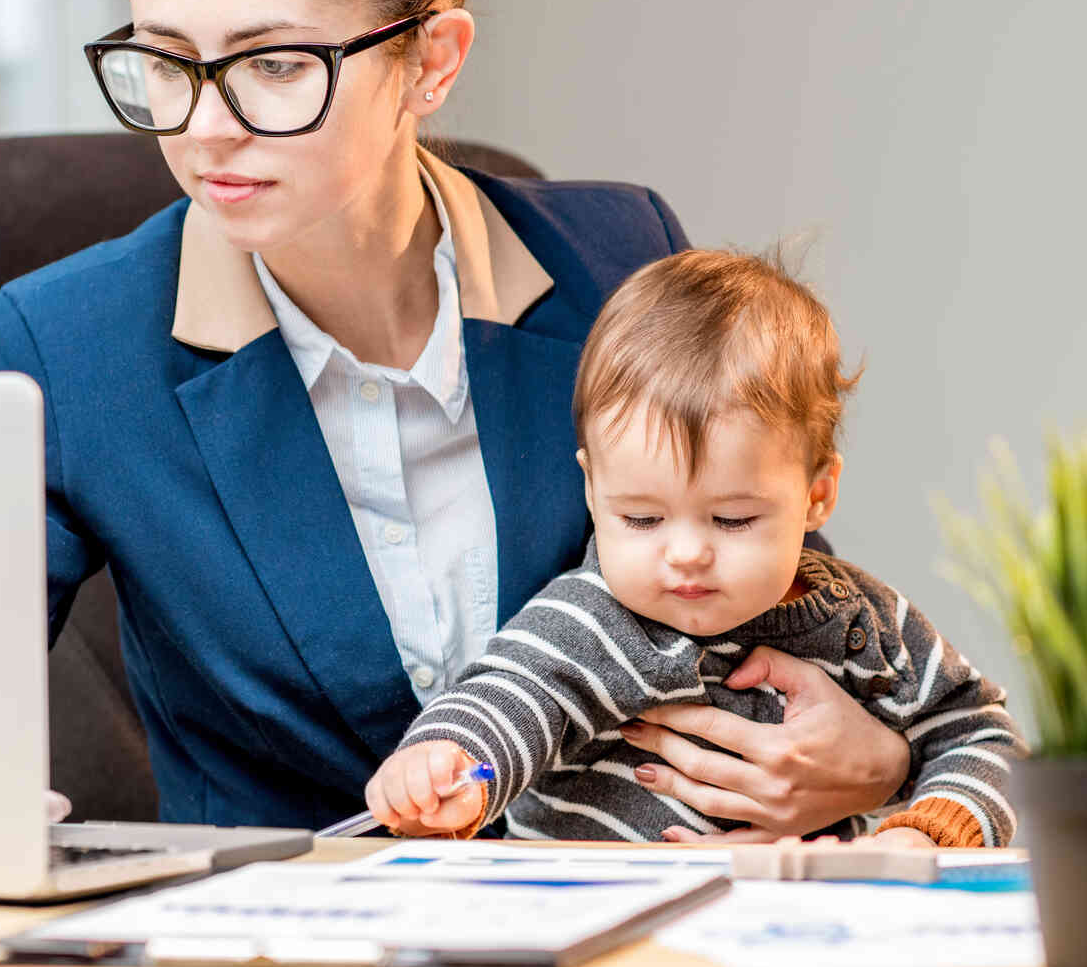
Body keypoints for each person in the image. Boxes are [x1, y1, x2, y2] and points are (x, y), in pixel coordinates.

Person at [0, 0, 911, 835]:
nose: (204, 126)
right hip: (274, 959)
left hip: (632, 920)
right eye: (167, 61)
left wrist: (878, 754)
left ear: (431, 59)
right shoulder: (66, 344)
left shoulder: (614, 260)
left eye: (274, 64)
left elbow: (798, 602)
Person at [364, 250, 1024, 846]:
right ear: (593, 490)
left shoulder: (868, 626)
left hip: (796, 937)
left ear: (818, 496)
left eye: (731, 519)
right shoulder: (593, 618)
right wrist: (445, 765)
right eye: (643, 518)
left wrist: (927, 834)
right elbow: (508, 698)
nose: (684, 554)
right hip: (596, 934)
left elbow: (981, 734)